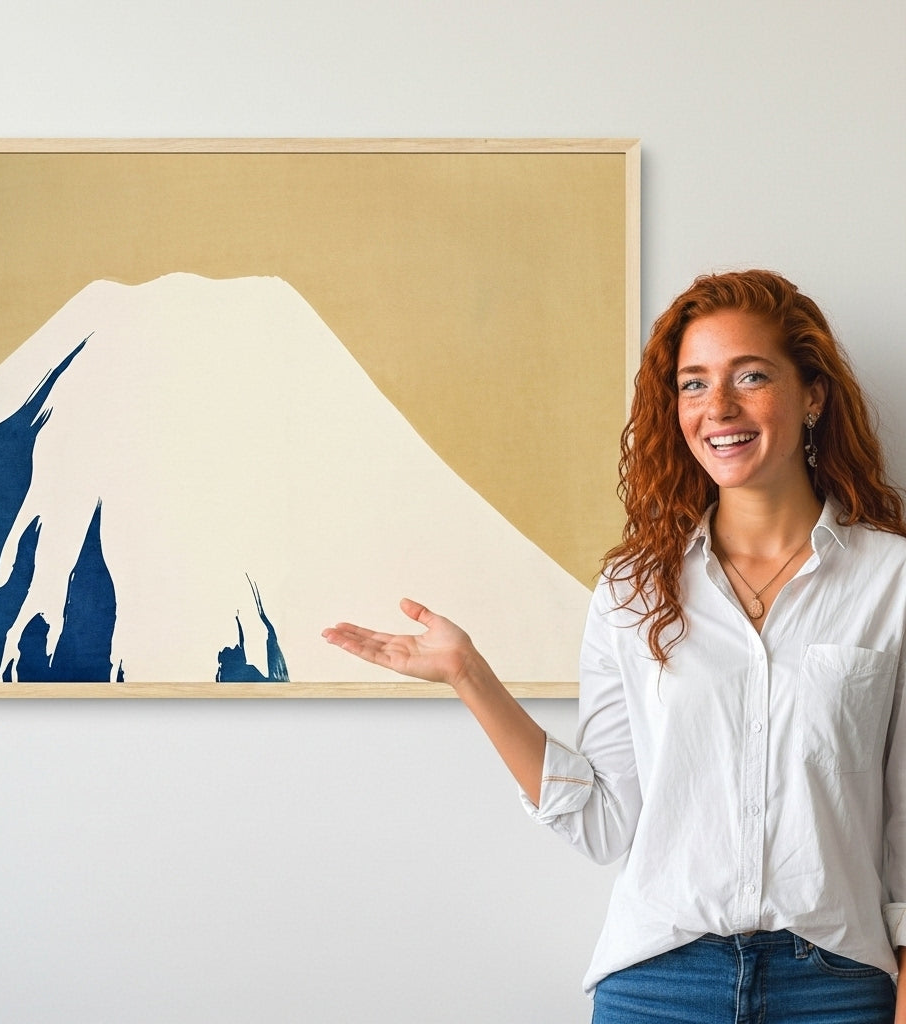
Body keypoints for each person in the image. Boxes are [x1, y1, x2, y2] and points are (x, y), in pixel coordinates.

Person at [322, 269, 906, 1023]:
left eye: (750, 376)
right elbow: (605, 822)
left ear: (813, 394)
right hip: (661, 983)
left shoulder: (892, 580)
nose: (718, 408)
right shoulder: (635, 589)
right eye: (693, 385)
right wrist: (470, 676)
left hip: (834, 986)